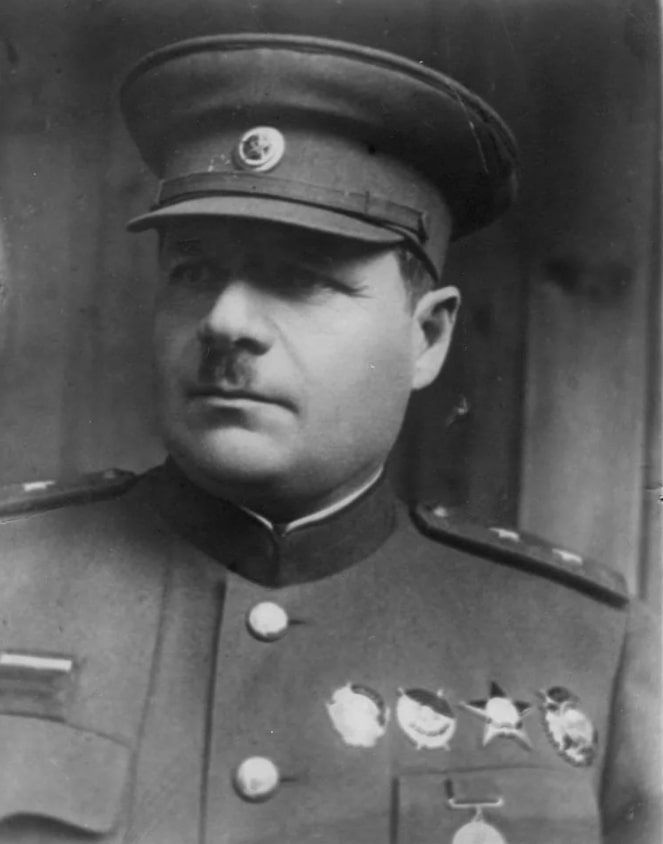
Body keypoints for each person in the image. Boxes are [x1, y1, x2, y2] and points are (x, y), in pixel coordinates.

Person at [0, 33, 658, 844]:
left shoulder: (590, 648)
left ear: (426, 337)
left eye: (300, 277)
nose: (226, 321)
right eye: (193, 271)